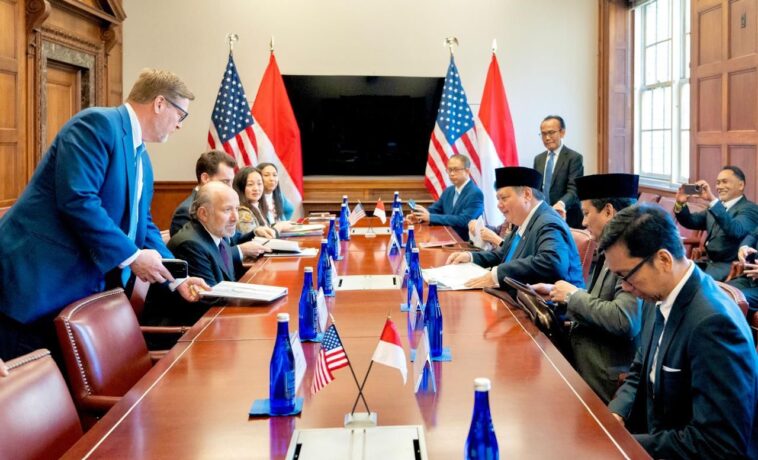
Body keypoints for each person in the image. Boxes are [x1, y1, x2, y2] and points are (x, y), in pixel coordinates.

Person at [0, 69, 209, 361]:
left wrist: (177, 278)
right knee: (24, 383)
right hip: (36, 284)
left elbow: (143, 225)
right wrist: (133, 257)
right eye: (180, 115)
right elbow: (78, 199)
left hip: (76, 290)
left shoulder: (142, 158)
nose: (179, 125)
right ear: (160, 103)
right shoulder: (97, 124)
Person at [601, 203, 757, 459]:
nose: (625, 288)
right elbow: (641, 369)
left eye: (626, 275)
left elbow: (718, 444)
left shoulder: (714, 324)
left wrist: (626, 444)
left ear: (663, 260)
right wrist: (614, 415)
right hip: (658, 439)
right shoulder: (656, 294)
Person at [531, 173, 643, 403]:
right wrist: (557, 293)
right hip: (581, 357)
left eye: (586, 213)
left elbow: (624, 320)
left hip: (603, 376)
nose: (583, 222)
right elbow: (598, 300)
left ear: (609, 211)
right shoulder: (611, 246)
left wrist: (572, 296)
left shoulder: (633, 253)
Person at [146, 182, 271, 326]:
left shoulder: (220, 237)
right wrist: (257, 299)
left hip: (213, 322)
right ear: (203, 214)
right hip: (184, 331)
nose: (235, 218)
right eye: (227, 210)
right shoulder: (190, 245)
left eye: (236, 209)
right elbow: (209, 301)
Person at [446, 166, 585, 289]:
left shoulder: (548, 222)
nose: (499, 205)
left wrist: (497, 274)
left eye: (504, 198)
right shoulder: (523, 220)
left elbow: (552, 263)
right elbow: (502, 255)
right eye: (498, 199)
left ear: (527, 194)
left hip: (545, 305)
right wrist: (470, 257)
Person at [674, 166, 758, 281]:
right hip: (707, 263)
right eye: (718, 183)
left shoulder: (750, 209)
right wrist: (680, 204)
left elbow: (735, 230)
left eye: (724, 182)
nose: (719, 187)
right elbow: (691, 221)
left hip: (728, 267)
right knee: (674, 272)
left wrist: (712, 200)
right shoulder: (717, 207)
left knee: (687, 282)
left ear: (741, 185)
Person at [407, 154, 484, 241]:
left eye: (456, 170)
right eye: (449, 170)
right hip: (444, 238)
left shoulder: (475, 193)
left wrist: (430, 217)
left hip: (464, 242)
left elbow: (464, 220)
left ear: (467, 171)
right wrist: (419, 216)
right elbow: (435, 209)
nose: (451, 174)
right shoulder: (449, 190)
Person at [169, 150, 237, 236]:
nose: (230, 188)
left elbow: (233, 238)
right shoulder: (186, 211)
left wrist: (253, 232)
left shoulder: (221, 204)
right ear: (205, 178)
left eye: (232, 182)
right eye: (225, 181)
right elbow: (195, 244)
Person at [533, 115, 584, 229]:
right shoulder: (538, 159)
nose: (547, 138)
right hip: (543, 218)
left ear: (562, 133)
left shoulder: (574, 158)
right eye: (543, 134)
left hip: (568, 218)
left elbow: (574, 190)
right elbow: (537, 190)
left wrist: (561, 204)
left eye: (551, 133)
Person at [233, 166, 290, 237]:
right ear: (240, 187)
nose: (256, 188)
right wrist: (278, 228)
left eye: (259, 184)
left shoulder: (259, 206)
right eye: (250, 184)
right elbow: (252, 240)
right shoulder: (242, 212)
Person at [728, 228, 758, 315]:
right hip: (750, 279)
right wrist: (744, 247)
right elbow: (753, 235)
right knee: (715, 292)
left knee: (732, 300)